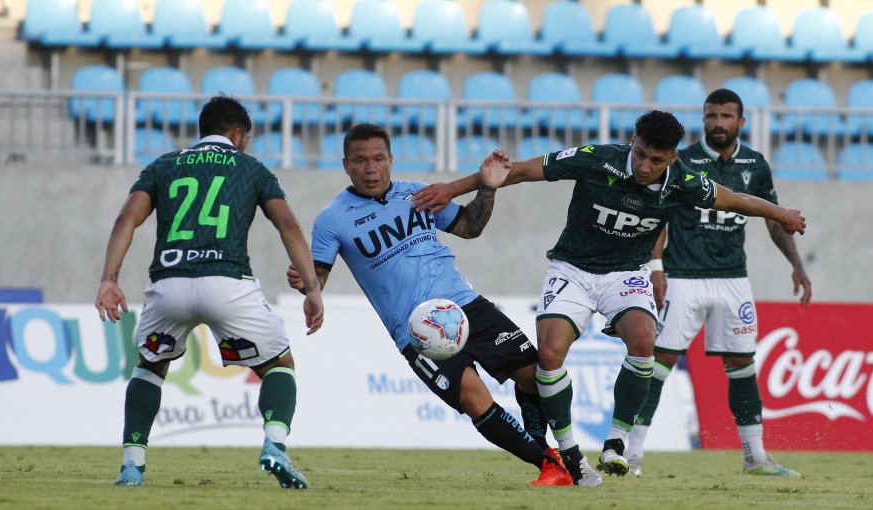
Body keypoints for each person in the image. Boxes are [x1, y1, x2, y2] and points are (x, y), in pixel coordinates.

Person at [411, 110, 807, 478]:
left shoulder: (685, 182)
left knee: (644, 340)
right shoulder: (596, 158)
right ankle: (569, 452)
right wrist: (453, 187)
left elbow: (736, 199)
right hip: (572, 268)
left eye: (656, 160)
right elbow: (517, 172)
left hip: (626, 274)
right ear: (631, 141)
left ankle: (616, 441)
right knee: (548, 353)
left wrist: (781, 213)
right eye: (639, 154)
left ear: (671, 158)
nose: (644, 166)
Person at [286, 123, 600, 487]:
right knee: (472, 396)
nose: (370, 168)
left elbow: (469, 227)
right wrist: (305, 282)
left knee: (534, 375)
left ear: (391, 159)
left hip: (465, 305)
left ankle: (547, 450)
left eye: (377, 159)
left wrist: (488, 189)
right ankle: (548, 463)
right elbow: (317, 279)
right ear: (345, 165)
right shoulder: (332, 219)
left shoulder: (418, 193)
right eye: (360, 161)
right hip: (415, 329)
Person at [95, 96, 323, 489]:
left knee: (149, 368)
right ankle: (275, 445)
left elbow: (126, 218)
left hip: (169, 285)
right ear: (237, 135)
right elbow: (287, 224)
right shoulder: (250, 168)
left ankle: (133, 464)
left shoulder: (163, 166)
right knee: (279, 366)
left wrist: (109, 279)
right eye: (246, 139)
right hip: (227, 284)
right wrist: (313, 287)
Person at [625, 89, 811, 478]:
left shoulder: (754, 164)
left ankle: (755, 457)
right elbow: (660, 216)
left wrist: (797, 265)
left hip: (732, 280)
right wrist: (656, 267)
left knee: (742, 364)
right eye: (711, 115)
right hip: (682, 277)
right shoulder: (682, 160)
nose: (718, 123)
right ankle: (633, 454)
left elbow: (774, 220)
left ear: (740, 122)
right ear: (704, 119)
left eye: (726, 116)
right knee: (659, 362)